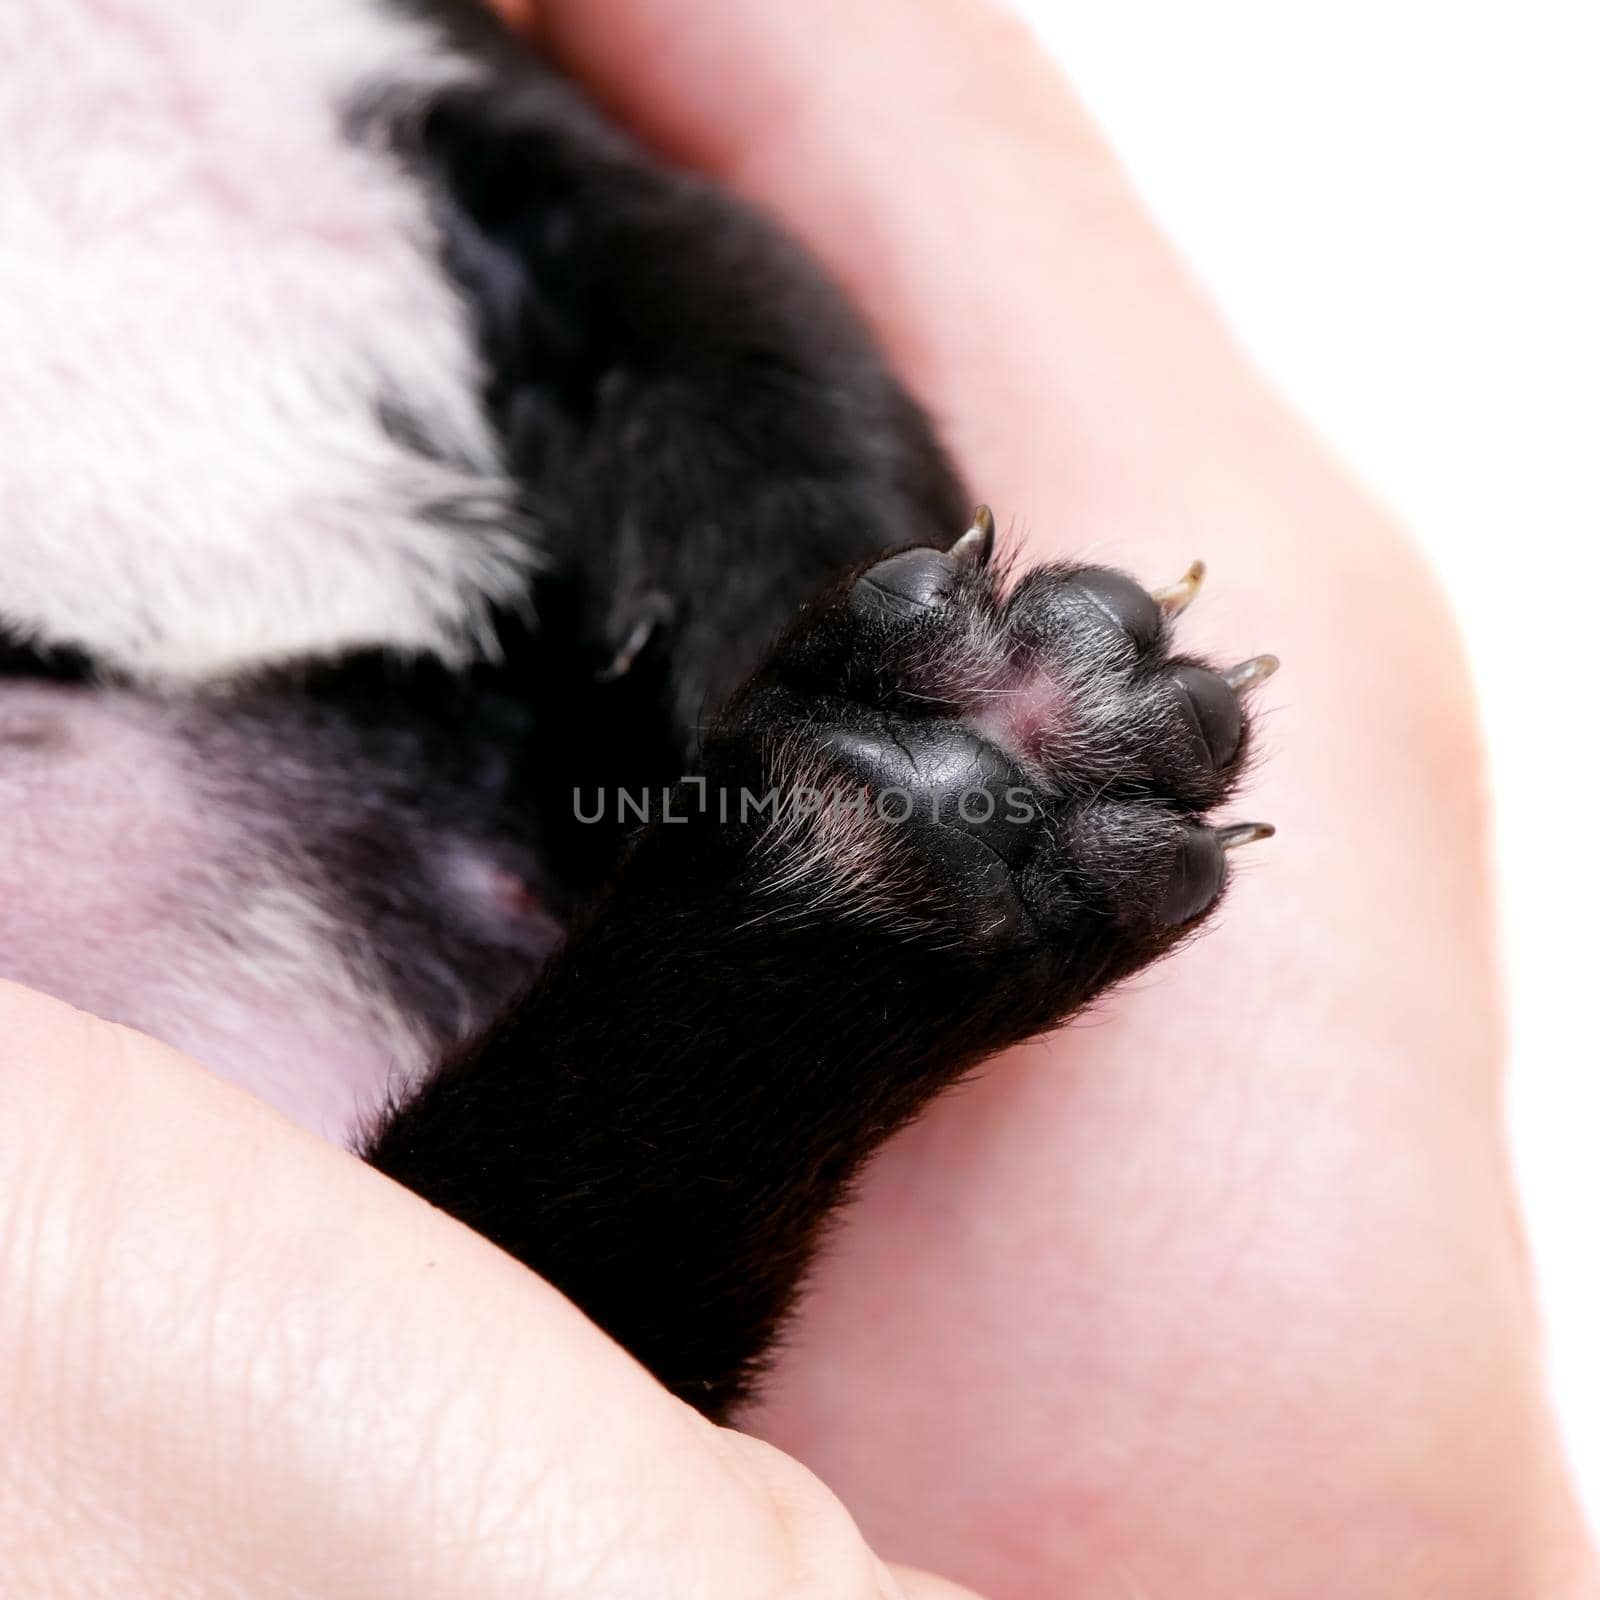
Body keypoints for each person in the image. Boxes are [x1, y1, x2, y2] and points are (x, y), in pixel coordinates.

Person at [1, 1, 1590, 1594]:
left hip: (436, 1029)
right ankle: (813, 924)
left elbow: (676, 335)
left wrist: (819, 657)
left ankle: (819, 900)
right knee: (484, 1344)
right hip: (414, 1127)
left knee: (467, 1342)